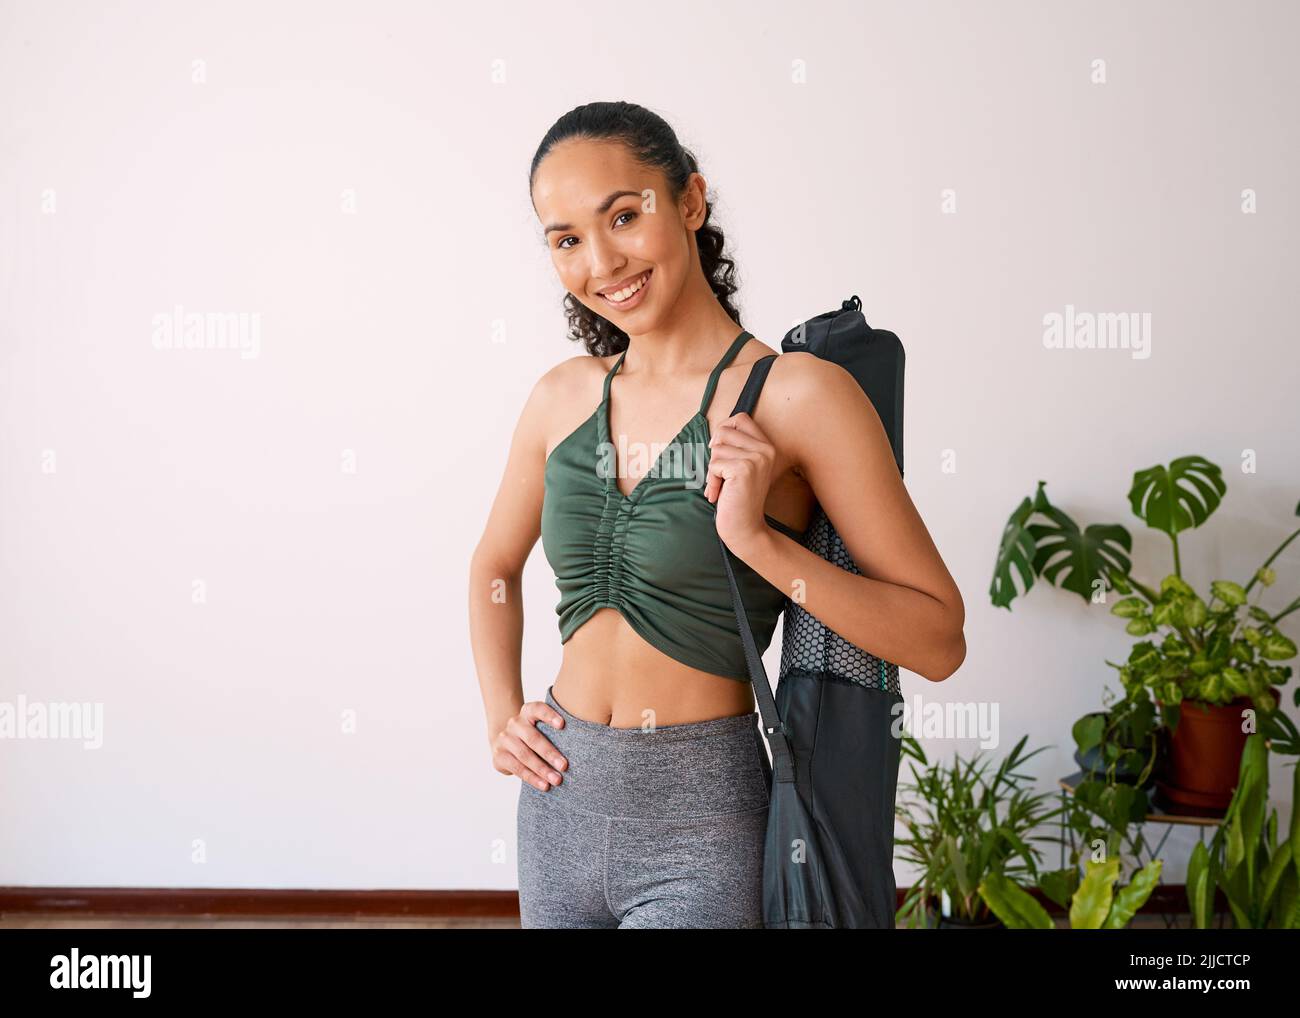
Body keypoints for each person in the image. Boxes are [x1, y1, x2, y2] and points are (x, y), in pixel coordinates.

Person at [468, 100, 965, 928]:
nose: (601, 261)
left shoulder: (801, 395)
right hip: (558, 797)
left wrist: (757, 543)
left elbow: (938, 638)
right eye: (566, 239)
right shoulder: (561, 396)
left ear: (690, 202)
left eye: (624, 216)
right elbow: (492, 568)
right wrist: (499, 715)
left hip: (702, 817)